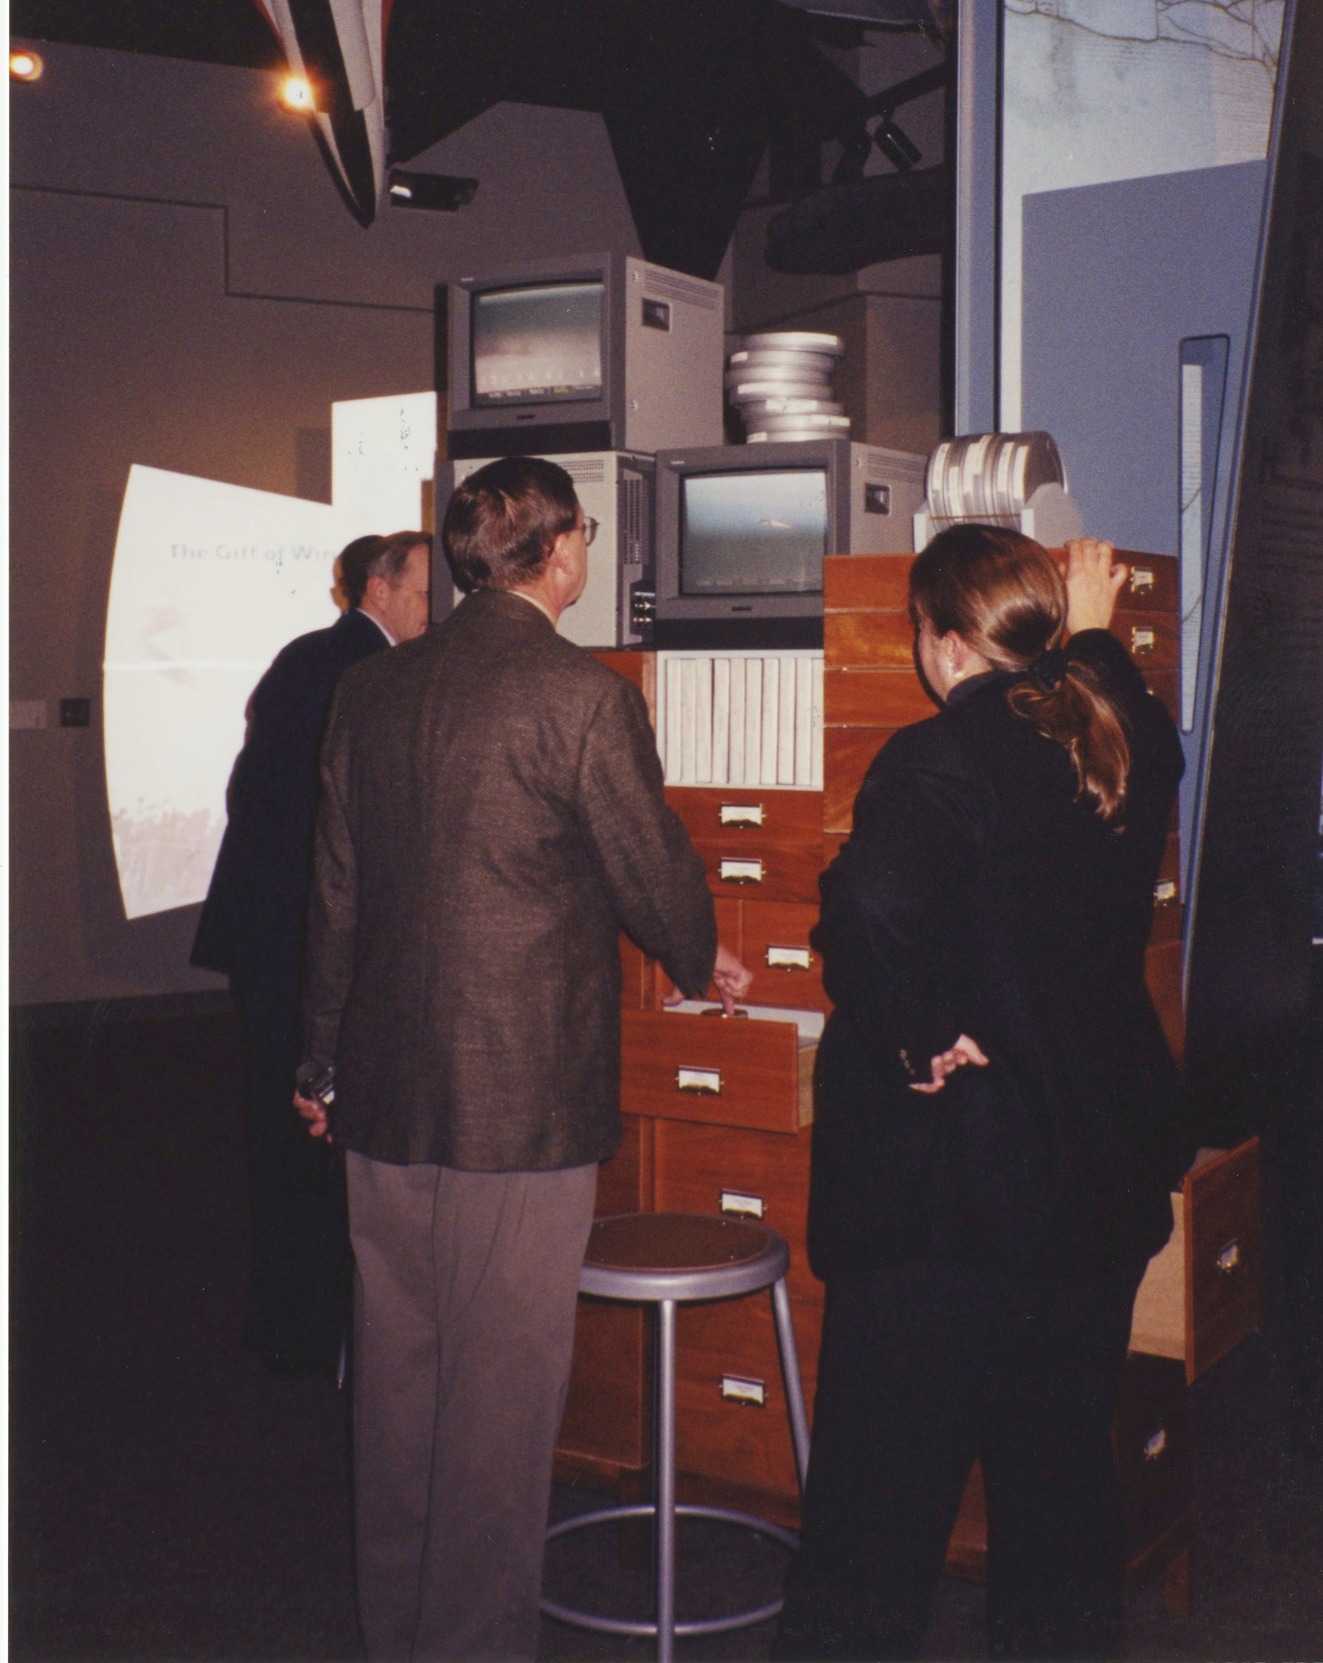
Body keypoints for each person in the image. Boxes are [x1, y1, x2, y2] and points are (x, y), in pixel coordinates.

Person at [297, 455, 750, 1663]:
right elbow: (651, 871)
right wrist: (705, 962)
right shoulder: (580, 695)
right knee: (498, 1414)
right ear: (556, 552)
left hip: (383, 1099)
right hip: (521, 1108)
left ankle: (399, 1636)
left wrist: (317, 1067)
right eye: (585, 535)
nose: (587, 553)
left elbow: (334, 898)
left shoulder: (374, 694)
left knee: (396, 1394)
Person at [774, 528, 1193, 1663]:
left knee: (876, 1517)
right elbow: (1130, 715)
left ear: (944, 644)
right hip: (1090, 1189)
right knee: (1061, 1498)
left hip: (951, 1203)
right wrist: (1096, 634)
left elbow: (864, 909)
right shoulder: (1123, 738)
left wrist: (917, 1038)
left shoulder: (936, 759)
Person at [192, 529, 432, 1377]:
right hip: (312, 934)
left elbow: (246, 785)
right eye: (425, 590)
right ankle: (324, 1327)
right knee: (324, 1132)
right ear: (378, 587)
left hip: (262, 929)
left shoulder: (301, 657)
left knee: (277, 1129)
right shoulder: (376, 673)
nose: (436, 609)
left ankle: (285, 1322)